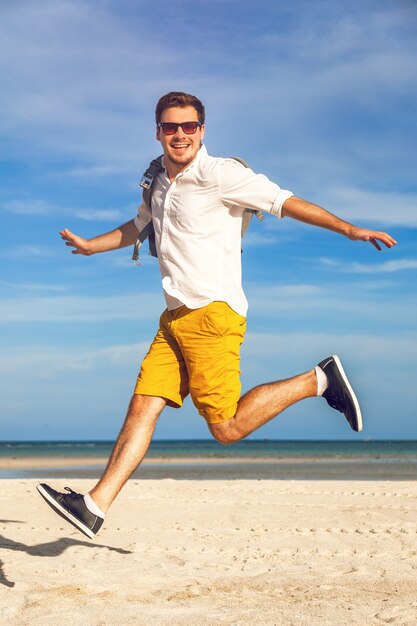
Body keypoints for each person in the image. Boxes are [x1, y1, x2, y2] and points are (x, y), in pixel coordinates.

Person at [37, 92, 397, 539]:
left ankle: (318, 379)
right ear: (158, 132)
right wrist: (93, 245)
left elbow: (285, 201)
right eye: (171, 127)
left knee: (225, 428)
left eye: (189, 126)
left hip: (212, 315)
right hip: (173, 318)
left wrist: (347, 228)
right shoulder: (157, 181)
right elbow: (141, 225)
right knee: (143, 406)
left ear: (202, 130)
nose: (180, 135)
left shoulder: (221, 174)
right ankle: (94, 506)